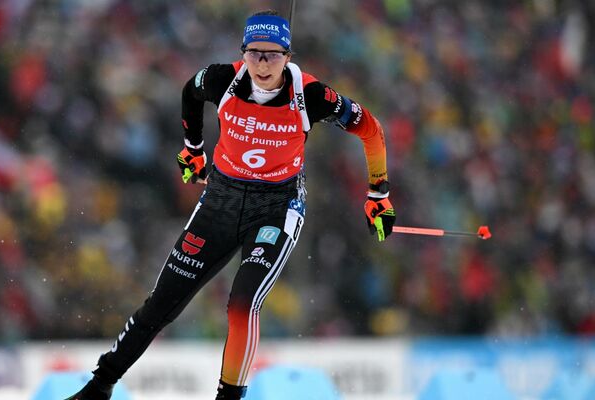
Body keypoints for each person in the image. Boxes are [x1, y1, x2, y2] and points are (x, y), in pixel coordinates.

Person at [67, 9, 395, 400]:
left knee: (242, 305)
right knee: (161, 305)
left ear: (288, 56)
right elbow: (190, 92)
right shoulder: (223, 78)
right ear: (243, 52)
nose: (261, 63)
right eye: (254, 53)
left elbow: (371, 130)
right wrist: (193, 149)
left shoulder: (312, 95)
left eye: (272, 55)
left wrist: (379, 194)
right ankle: (99, 386)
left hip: (275, 207)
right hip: (220, 201)